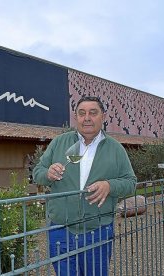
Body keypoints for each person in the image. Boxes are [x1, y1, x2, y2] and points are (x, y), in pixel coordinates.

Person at [33, 96, 137, 276]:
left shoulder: (115, 149)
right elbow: (37, 172)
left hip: (97, 229)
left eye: (92, 113)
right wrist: (48, 174)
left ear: (103, 116)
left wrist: (109, 185)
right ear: (76, 117)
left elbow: (131, 182)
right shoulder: (59, 142)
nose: (87, 117)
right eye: (82, 113)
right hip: (60, 228)